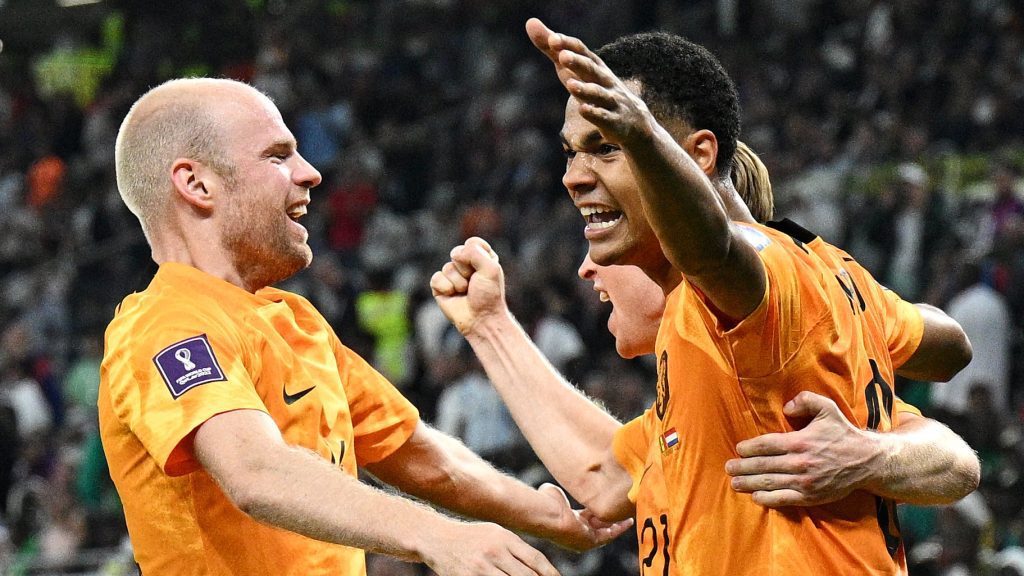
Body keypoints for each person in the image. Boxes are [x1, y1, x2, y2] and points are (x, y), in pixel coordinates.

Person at [432, 19, 977, 575]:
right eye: (572, 152)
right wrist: (490, 326)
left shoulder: (762, 272)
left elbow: (714, 249)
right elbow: (604, 475)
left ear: (698, 156)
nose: (574, 177)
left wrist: (642, 137)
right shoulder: (772, 326)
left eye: (605, 147)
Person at [97, 77, 630, 576]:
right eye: (278, 156)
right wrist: (438, 536)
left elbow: (422, 457)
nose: (311, 172)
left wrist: (552, 518)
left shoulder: (294, 320)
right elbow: (254, 471)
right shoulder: (165, 324)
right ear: (196, 184)